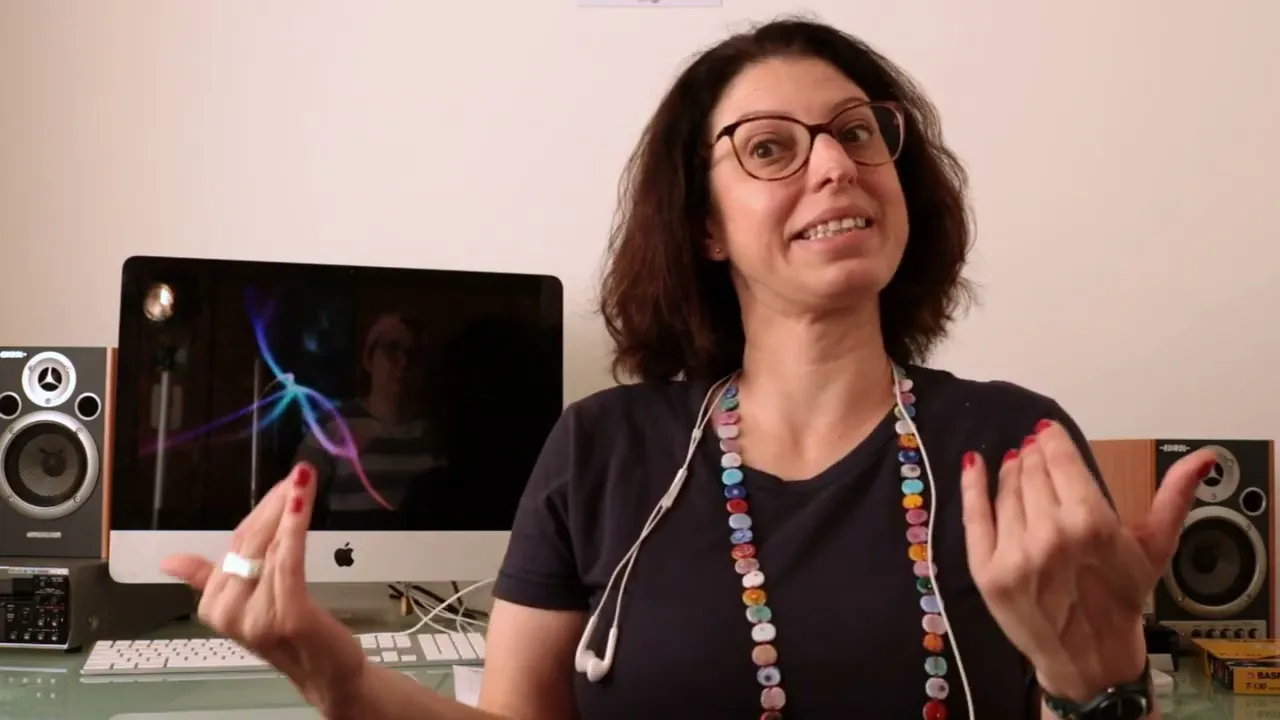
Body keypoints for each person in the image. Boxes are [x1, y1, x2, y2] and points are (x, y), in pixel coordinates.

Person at [161, 18, 1214, 720]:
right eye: (771, 148)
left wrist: (1098, 683)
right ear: (704, 225)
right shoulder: (600, 449)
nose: (835, 164)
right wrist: (337, 675)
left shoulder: (1017, 446)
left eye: (858, 133)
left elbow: (1097, 698)